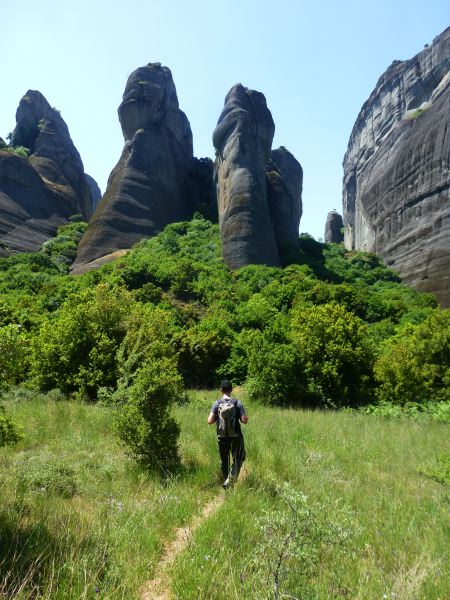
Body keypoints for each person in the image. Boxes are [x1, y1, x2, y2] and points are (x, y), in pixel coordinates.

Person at [208, 379, 248, 489]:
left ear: (221, 390)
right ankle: (230, 480)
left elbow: (209, 421)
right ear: (231, 389)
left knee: (224, 460)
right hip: (236, 436)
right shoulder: (237, 403)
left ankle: (227, 481)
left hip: (221, 436)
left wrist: (218, 416)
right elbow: (244, 420)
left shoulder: (216, 403)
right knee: (239, 457)